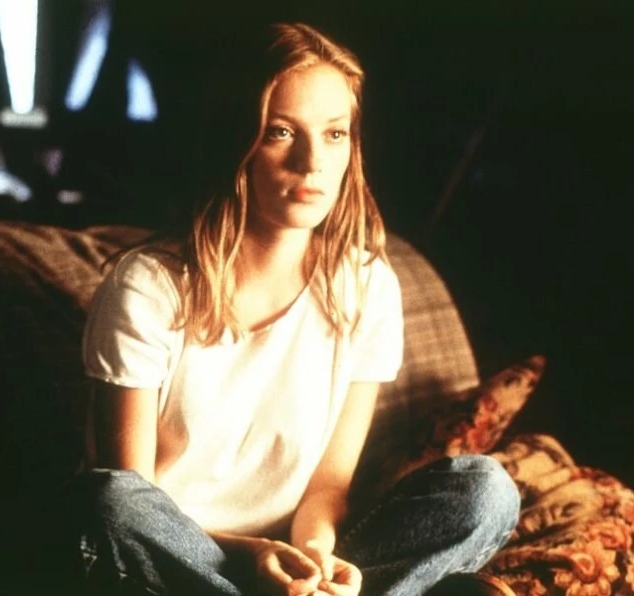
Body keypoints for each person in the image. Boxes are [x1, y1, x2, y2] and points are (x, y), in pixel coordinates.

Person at [77, 22, 520, 596]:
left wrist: (314, 557)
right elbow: (134, 495)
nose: (312, 162)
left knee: (486, 490)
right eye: (281, 132)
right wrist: (252, 557)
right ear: (237, 141)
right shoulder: (147, 286)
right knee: (112, 501)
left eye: (335, 134)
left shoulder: (367, 287)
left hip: (288, 552)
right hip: (173, 557)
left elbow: (327, 487)